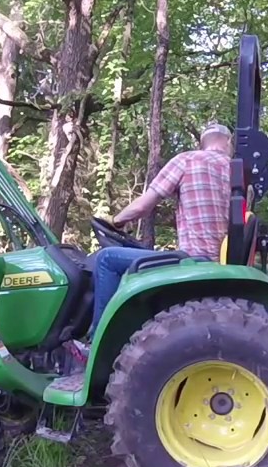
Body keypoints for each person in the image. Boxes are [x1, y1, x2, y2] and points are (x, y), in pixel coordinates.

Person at [88, 123, 234, 333]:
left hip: (193, 260)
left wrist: (115, 221)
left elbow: (142, 206)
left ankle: (97, 338)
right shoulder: (240, 174)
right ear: (228, 142)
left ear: (202, 143)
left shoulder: (187, 160)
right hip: (223, 262)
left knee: (107, 260)